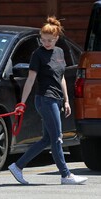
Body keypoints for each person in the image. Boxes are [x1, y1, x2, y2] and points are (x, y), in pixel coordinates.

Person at [8, 16, 88, 185]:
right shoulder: (37, 54)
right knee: (57, 137)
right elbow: (30, 80)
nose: (46, 43)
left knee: (47, 139)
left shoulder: (59, 52)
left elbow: (62, 77)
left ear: (57, 38)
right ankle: (66, 175)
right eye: (43, 40)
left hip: (57, 99)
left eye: (50, 40)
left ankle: (17, 166)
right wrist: (22, 102)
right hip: (45, 99)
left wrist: (66, 100)